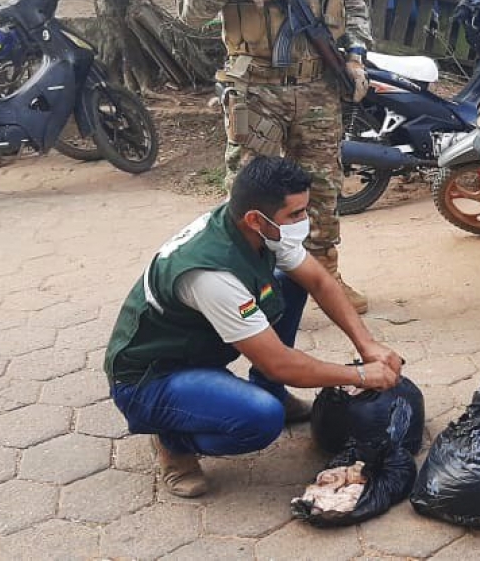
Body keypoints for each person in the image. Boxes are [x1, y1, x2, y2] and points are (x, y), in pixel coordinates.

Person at [104, 156, 403, 498]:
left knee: (288, 282)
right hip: (151, 377)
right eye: (295, 214)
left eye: (304, 210)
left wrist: (366, 344)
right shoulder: (211, 275)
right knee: (261, 418)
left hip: (196, 347)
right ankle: (172, 441)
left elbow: (319, 281)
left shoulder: (258, 227)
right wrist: (362, 376)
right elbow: (281, 364)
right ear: (254, 218)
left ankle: (269, 388)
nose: (303, 221)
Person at [176, 0, 373, 312]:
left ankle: (324, 277)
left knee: (322, 189)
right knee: (251, 191)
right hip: (255, 88)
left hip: (316, 86)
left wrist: (356, 55)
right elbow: (186, 8)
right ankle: (248, 285)